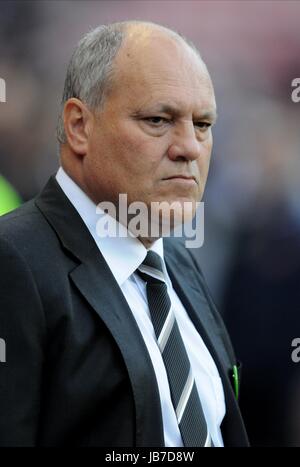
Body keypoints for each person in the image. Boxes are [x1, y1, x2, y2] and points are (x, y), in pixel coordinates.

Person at [0, 21, 248, 447]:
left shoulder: (176, 260)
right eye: (158, 119)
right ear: (79, 125)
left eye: (203, 124)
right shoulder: (14, 263)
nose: (189, 147)